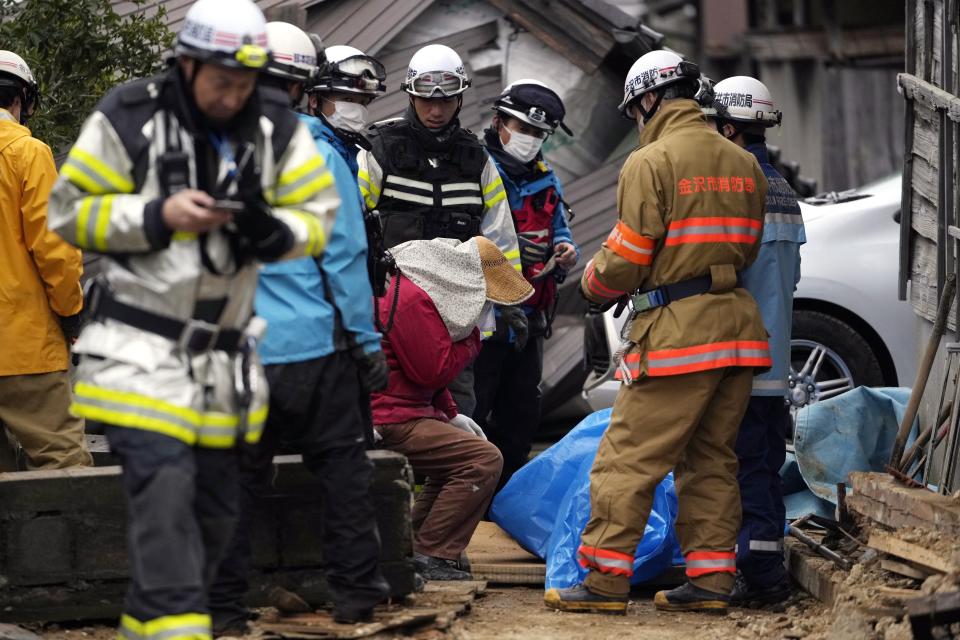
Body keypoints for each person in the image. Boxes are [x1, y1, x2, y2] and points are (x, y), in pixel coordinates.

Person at [47, 1, 339, 638]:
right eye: (221, 81)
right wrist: (157, 217)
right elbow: (69, 213)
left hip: (222, 365)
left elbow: (319, 219)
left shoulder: (276, 128)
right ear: (187, 63)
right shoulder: (130, 113)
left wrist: (267, 228)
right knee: (167, 500)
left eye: (246, 82)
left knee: (211, 516)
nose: (234, 95)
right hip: (136, 351)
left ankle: (147, 627)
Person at [543, 50, 770, 615]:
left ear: (649, 99)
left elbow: (629, 254)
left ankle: (602, 582)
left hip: (678, 333)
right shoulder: (744, 164)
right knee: (711, 461)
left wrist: (592, 285)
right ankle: (712, 582)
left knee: (627, 458)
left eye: (635, 109)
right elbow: (749, 247)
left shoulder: (651, 161)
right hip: (737, 333)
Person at [208, 22, 389, 633]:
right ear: (305, 87)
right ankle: (358, 593)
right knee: (342, 470)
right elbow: (343, 257)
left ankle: (224, 611)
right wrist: (365, 343)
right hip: (317, 349)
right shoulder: (318, 152)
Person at [356, 44, 524, 417]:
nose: (436, 110)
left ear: (461, 98)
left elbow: (499, 238)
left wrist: (509, 302)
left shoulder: (477, 160)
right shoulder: (378, 150)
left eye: (446, 101)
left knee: (459, 413)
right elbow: (351, 227)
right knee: (393, 414)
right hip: (392, 313)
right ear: (410, 96)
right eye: (426, 101)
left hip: (457, 316)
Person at [372, 237, 532, 580]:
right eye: (486, 301)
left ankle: (414, 546)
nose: (485, 309)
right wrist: (472, 338)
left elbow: (425, 375)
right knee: (483, 460)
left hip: (397, 410)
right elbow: (433, 369)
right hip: (387, 417)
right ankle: (433, 554)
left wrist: (448, 413)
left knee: (458, 463)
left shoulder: (416, 291)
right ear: (468, 283)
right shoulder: (412, 301)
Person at [705, 76, 805, 607]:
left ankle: (763, 576)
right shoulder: (784, 190)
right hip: (772, 364)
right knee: (761, 466)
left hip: (742, 362)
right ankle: (764, 567)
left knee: (745, 472)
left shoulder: (744, 190)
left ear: (728, 127)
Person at [474, 79, 579, 492]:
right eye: (524, 129)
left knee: (520, 414)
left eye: (538, 134)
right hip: (482, 320)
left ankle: (506, 501)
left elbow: (561, 229)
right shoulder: (476, 168)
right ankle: (467, 505)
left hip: (530, 320)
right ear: (498, 121)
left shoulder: (546, 180)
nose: (530, 140)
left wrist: (565, 249)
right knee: (474, 412)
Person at [0, 49, 91, 471]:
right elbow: (55, 248)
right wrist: (71, 314)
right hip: (23, 349)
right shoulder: (27, 153)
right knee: (65, 465)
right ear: (21, 99)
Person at [305, 44, 386, 174]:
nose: (357, 110)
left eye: (363, 102)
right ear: (314, 100)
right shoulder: (307, 152)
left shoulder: (357, 156)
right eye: (348, 100)